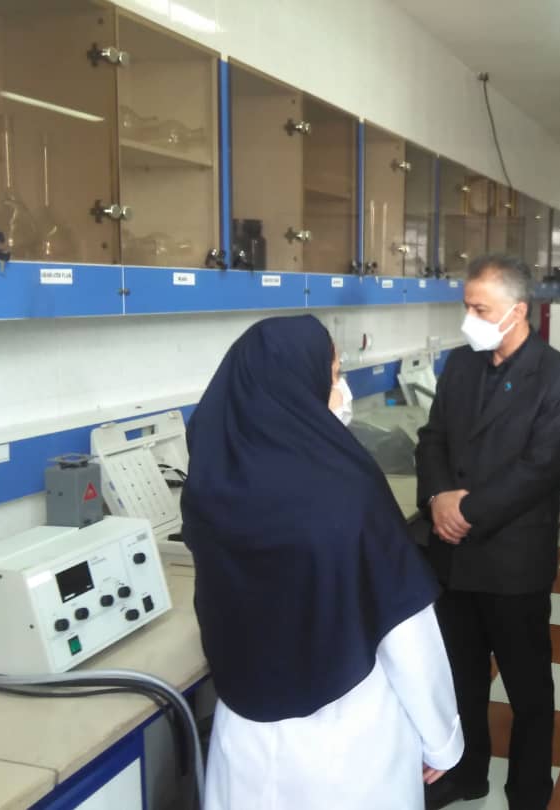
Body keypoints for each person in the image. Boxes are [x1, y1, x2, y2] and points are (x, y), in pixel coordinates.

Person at [182, 315, 462, 810]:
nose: (341, 389)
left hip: (244, 742)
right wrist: (442, 737)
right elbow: (404, 630)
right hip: (348, 746)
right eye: (334, 375)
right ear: (298, 384)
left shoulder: (210, 490)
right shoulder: (348, 492)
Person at [416, 255, 560, 810]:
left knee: (527, 687)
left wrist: (466, 511)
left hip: (511, 558)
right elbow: (433, 437)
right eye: (467, 306)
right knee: (461, 677)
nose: (469, 318)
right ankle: (467, 774)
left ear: (518, 311)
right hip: (452, 559)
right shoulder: (461, 364)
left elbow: (538, 468)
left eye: (480, 308)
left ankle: (529, 790)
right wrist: (437, 499)